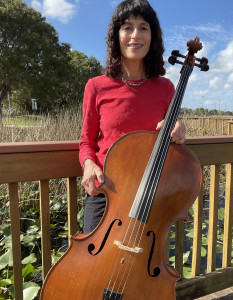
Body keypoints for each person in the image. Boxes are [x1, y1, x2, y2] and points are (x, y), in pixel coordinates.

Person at [79, 0, 186, 234]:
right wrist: (88, 164)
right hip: (107, 192)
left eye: (143, 27)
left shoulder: (166, 88)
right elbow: (87, 141)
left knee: (144, 265)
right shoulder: (95, 86)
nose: (135, 35)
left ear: (153, 36)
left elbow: (171, 138)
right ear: (117, 36)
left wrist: (179, 131)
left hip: (151, 196)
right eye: (127, 27)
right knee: (94, 266)